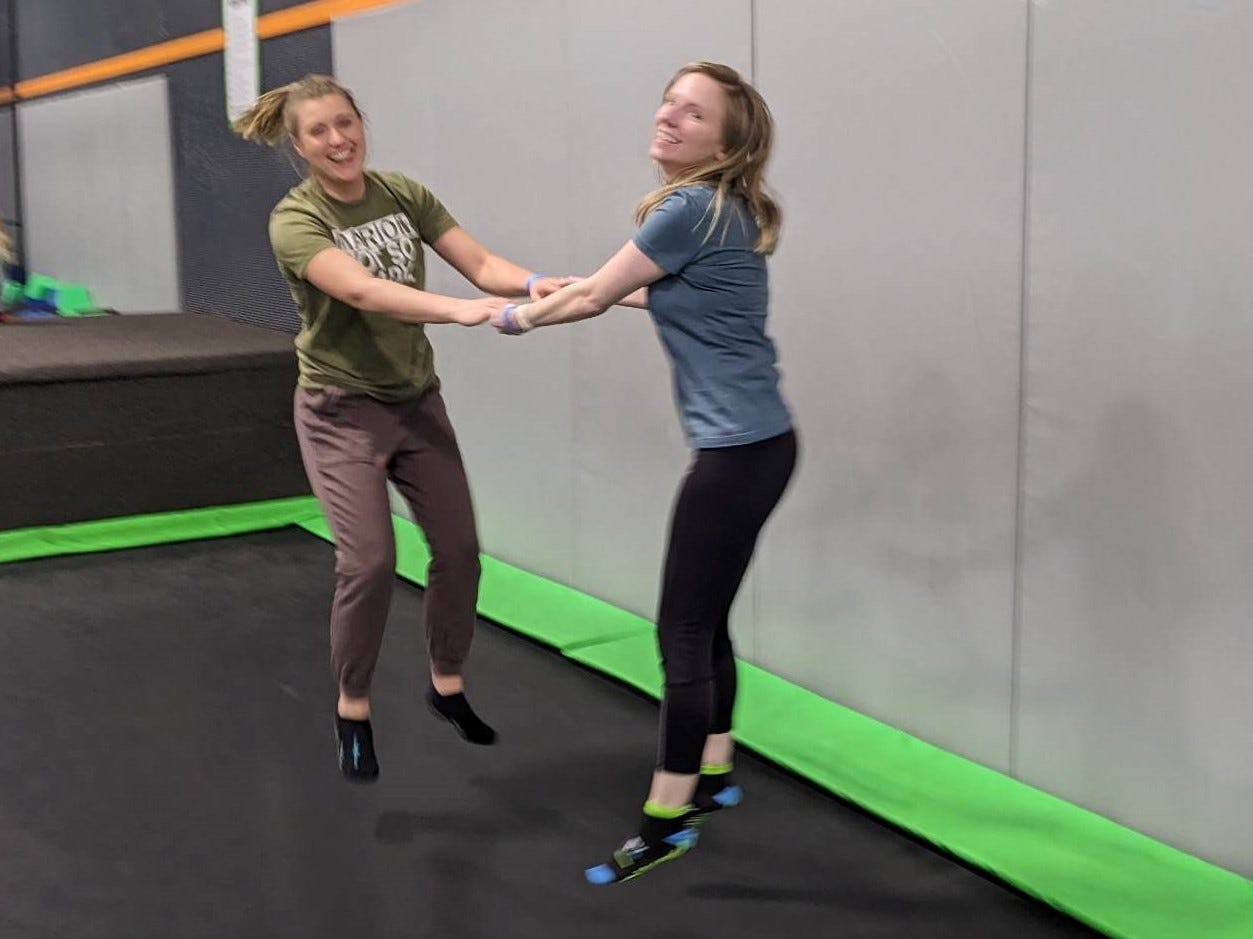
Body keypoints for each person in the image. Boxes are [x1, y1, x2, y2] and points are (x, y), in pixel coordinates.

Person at [491, 62, 798, 883]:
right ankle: (717, 770)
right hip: (761, 446)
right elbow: (644, 293)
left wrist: (515, 315)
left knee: (681, 633)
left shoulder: (689, 207)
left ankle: (668, 816)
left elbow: (594, 300)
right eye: (668, 102)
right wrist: (575, 285)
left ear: (723, 143)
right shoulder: (719, 211)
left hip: (735, 455)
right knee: (709, 616)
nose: (668, 117)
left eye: (691, 113)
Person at [234, 74, 572, 783]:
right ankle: (352, 707)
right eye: (319, 131)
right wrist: (463, 311)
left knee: (460, 549)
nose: (337, 140)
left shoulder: (402, 193)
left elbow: (481, 264)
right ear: (299, 147)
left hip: (415, 401)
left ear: (361, 121)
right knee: (368, 563)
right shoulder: (294, 221)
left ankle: (446, 684)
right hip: (339, 412)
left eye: (344, 123)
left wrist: (536, 282)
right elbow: (361, 290)